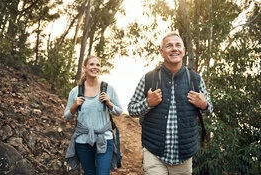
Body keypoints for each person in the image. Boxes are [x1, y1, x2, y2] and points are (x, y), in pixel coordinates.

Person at [127, 32, 213, 175]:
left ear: (184, 51)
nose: (174, 49)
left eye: (178, 45)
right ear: (161, 52)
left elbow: (209, 108)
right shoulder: (148, 79)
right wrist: (148, 103)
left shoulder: (195, 79)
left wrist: (203, 104)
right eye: (169, 46)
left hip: (184, 156)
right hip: (154, 153)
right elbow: (131, 109)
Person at [64, 55, 123, 175]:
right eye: (91, 64)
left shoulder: (108, 89)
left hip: (104, 139)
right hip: (83, 140)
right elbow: (67, 116)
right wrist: (75, 105)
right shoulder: (75, 91)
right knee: (89, 173)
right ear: (85, 67)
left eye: (98, 65)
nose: (95, 67)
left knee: (102, 173)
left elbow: (119, 111)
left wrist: (109, 103)